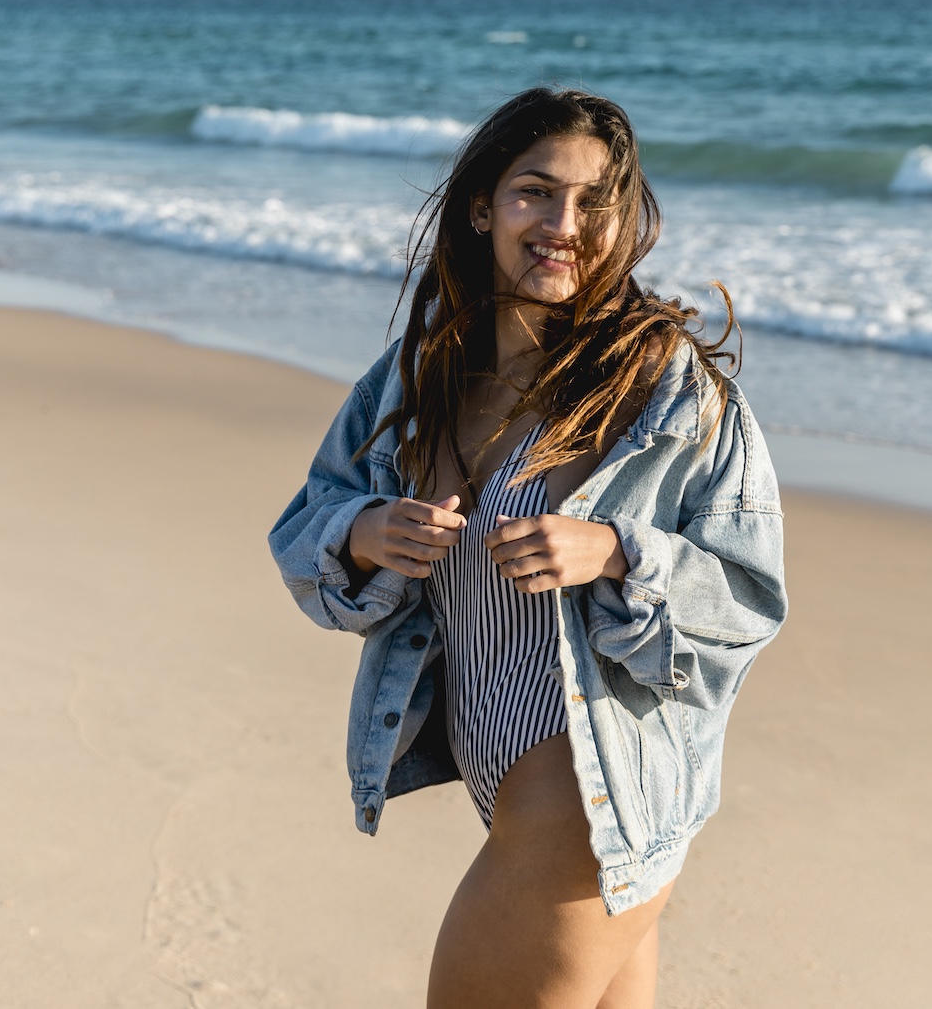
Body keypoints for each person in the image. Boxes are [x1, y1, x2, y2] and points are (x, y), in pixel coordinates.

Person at [269, 87, 786, 1008]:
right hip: (504, 777)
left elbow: (748, 599)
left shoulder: (668, 392)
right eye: (535, 192)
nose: (564, 224)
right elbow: (306, 524)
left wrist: (619, 550)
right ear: (483, 206)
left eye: (594, 202)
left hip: (592, 794)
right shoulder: (418, 376)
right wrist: (363, 530)